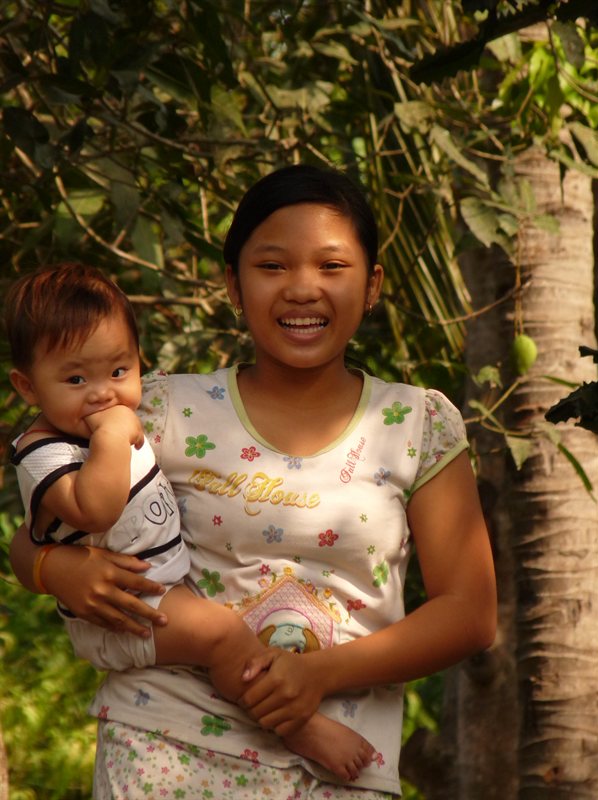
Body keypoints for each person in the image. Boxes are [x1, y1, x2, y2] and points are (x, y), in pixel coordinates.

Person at [9, 165, 497, 800]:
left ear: (372, 283)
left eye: (331, 266)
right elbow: (39, 521)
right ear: (232, 284)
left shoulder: (417, 424)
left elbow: (469, 613)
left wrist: (318, 674)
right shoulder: (150, 409)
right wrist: (54, 571)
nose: (302, 289)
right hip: (163, 749)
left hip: (341, 767)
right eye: (271, 267)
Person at [5, 261, 375, 783]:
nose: (102, 394)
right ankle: (298, 728)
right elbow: (96, 509)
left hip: (153, 589)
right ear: (27, 387)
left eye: (118, 371)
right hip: (122, 607)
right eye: (75, 379)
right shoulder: (42, 451)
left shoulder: (138, 410)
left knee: (221, 631)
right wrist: (113, 438)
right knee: (223, 633)